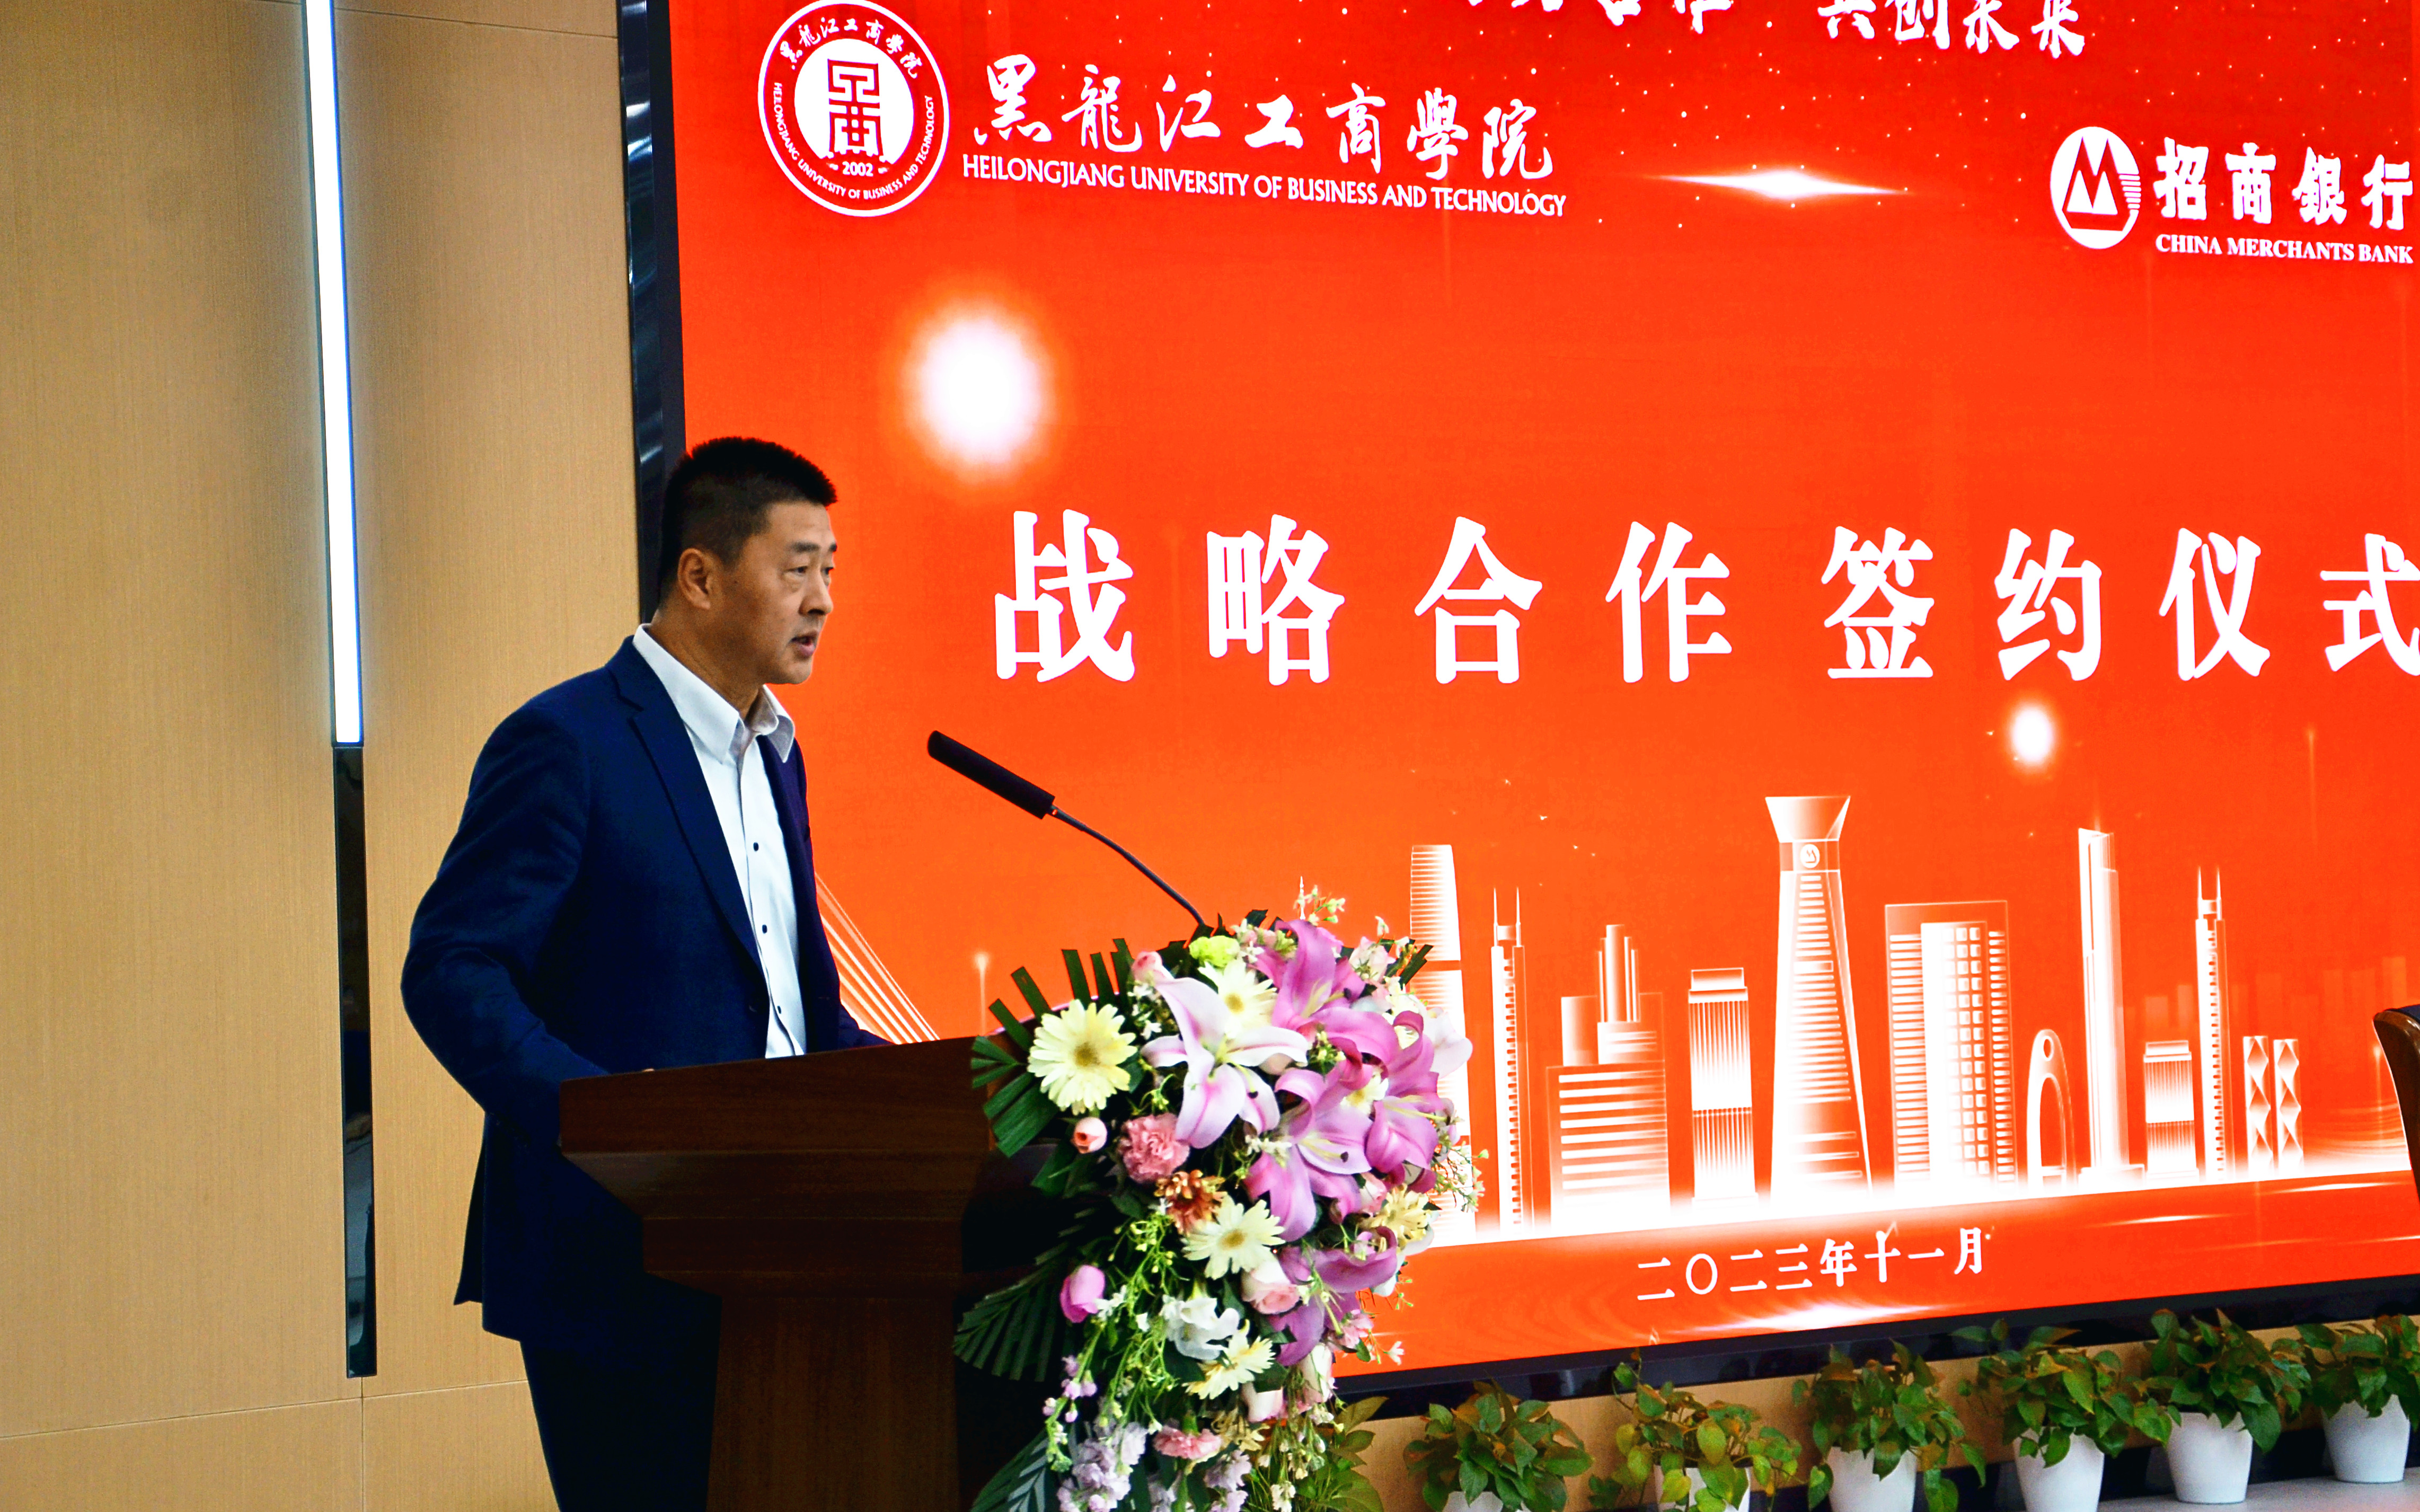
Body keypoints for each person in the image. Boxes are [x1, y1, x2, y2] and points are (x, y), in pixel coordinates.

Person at [401, 437, 885, 1512]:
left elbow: (789, 1004)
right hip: (619, 1256)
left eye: (831, 569)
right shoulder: (567, 740)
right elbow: (453, 969)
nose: (823, 599)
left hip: (785, 1248)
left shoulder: (777, 752)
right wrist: (614, 1126)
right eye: (797, 567)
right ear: (700, 575)